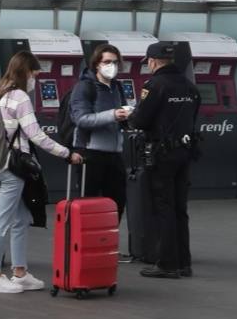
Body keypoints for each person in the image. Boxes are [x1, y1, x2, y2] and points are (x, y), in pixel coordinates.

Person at [0, 51, 82, 294]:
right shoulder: (20, 97)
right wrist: (66, 152)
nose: (35, 80)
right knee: (2, 221)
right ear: (26, 72)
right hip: (12, 166)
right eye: (35, 74)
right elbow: (36, 135)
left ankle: (20, 272)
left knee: (20, 219)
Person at [129, 40, 201, 280]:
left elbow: (140, 121)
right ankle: (184, 263)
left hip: (161, 155)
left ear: (152, 61)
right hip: (185, 152)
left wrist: (129, 115)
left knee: (163, 208)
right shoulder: (190, 87)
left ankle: (167, 263)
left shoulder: (155, 85)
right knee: (181, 208)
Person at [69, 43, 130, 223]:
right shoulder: (85, 87)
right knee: (89, 205)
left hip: (115, 153)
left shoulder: (117, 87)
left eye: (115, 62)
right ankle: (87, 248)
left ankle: (107, 244)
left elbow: (121, 118)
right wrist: (112, 115)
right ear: (97, 64)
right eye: (107, 62)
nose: (112, 66)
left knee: (117, 204)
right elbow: (81, 119)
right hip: (91, 154)